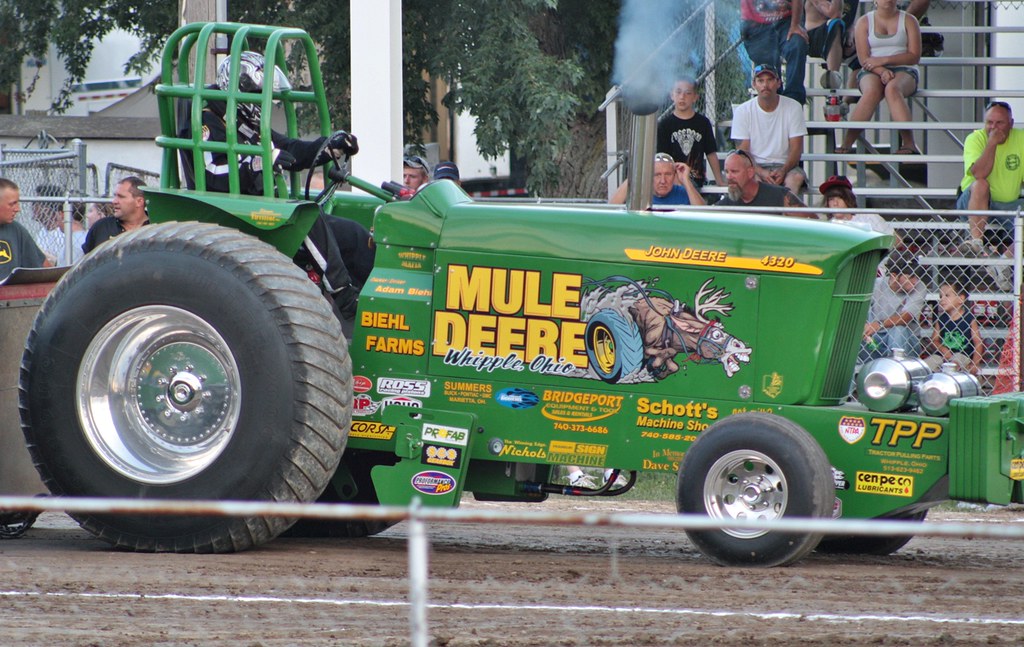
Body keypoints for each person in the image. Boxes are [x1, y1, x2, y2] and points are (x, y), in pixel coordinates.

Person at [191, 51, 361, 318]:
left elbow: (288, 149)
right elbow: (213, 172)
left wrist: (328, 148)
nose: (265, 100)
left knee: (354, 235)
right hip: (229, 208)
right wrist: (258, 163)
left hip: (257, 206)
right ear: (240, 89)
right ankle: (345, 297)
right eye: (260, 93)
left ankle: (374, 304)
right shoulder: (206, 119)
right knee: (305, 215)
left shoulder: (244, 119)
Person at [836, 0, 921, 156]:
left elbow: (914, 56)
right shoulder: (864, 22)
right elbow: (863, 59)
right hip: (871, 68)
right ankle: (847, 142)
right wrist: (881, 70)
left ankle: (909, 143)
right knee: (872, 91)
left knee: (893, 89)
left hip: (904, 68)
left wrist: (884, 60)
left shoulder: (909, 20)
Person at [956, 101, 1024, 256]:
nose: (994, 127)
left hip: (1008, 205)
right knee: (980, 184)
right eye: (989, 122)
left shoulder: (1021, 138)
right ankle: (976, 243)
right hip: (973, 202)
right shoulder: (974, 139)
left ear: (1011, 123)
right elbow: (979, 174)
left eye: (1000, 123)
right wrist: (992, 143)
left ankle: (1005, 263)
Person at [731, 64, 808, 196]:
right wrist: (760, 171)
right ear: (754, 84)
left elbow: (796, 149)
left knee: (795, 179)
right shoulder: (742, 111)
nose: (765, 85)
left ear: (778, 83)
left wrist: (783, 170)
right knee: (750, 180)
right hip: (754, 166)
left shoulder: (793, 107)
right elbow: (743, 153)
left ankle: (786, 214)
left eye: (770, 80)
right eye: (760, 81)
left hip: (787, 166)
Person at [656, 77, 724, 187]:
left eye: (687, 93)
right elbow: (662, 157)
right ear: (672, 95)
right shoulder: (665, 124)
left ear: (695, 97)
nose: (682, 97)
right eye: (678, 92)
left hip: (695, 179)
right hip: (671, 180)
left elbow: (711, 153)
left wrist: (719, 180)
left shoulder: (703, 123)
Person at [740, 0, 808, 105]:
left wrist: (795, 25)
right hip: (757, 22)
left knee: (797, 44)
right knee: (766, 58)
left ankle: (794, 100)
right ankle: (772, 100)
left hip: (787, 20)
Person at [860, 256, 926, 362]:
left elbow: (906, 317)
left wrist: (879, 324)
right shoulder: (876, 284)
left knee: (898, 329)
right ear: (894, 276)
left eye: (917, 277)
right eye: (910, 277)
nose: (915, 281)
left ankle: (896, 368)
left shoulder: (919, 287)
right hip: (875, 338)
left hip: (905, 341)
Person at [713, 150, 811, 217]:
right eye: (726, 172)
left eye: (734, 171)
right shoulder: (724, 206)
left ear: (750, 172)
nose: (729, 177)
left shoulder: (779, 196)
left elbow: (812, 223)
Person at [923, 279, 982, 374]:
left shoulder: (969, 319)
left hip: (962, 354)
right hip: (942, 355)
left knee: (956, 361)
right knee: (926, 364)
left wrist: (975, 362)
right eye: (941, 296)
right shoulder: (941, 319)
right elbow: (934, 340)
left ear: (960, 299)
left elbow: (978, 341)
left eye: (947, 296)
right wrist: (943, 349)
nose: (942, 299)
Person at [82, 176, 150, 254]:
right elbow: (86, 263)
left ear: (139, 201)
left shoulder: (156, 227)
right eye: (115, 196)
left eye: (121, 197)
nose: (114, 201)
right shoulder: (101, 227)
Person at [819, 175, 896, 242]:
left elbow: (897, 241)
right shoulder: (827, 227)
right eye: (831, 199)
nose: (835, 203)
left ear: (848, 198)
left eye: (839, 198)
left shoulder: (868, 217)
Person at [609, 153, 707, 207]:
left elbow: (704, 215)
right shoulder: (640, 194)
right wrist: (636, 174)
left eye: (668, 174)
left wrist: (686, 181)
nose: (663, 180)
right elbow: (611, 210)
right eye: (657, 175)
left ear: (674, 175)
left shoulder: (683, 193)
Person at [0, 178, 50, 281]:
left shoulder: (16, 230)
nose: (18, 209)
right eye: (12, 204)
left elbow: (43, 267)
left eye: (17, 203)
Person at [805, 0, 846, 93]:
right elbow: (835, 14)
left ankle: (847, 101)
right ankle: (832, 78)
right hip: (814, 39)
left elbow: (851, 18)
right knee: (835, 23)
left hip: (839, 39)